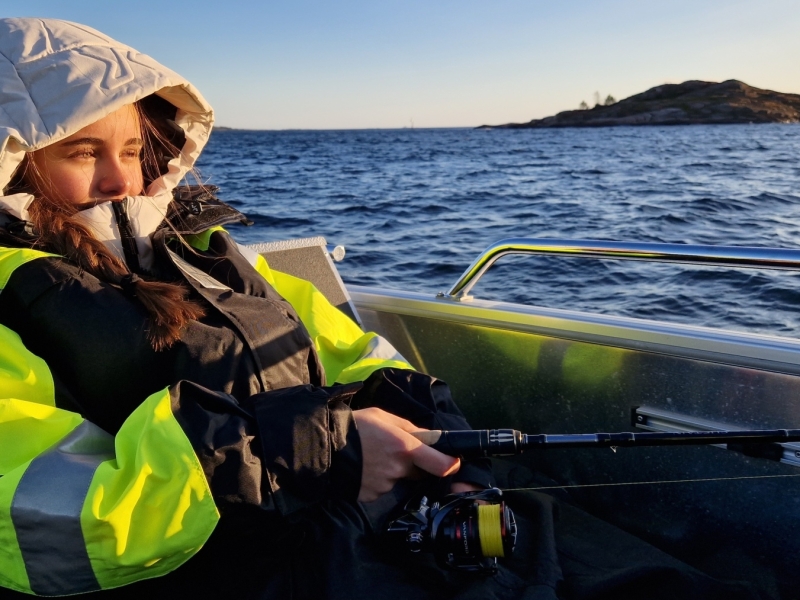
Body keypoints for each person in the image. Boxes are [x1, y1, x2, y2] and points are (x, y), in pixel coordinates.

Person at [0, 17, 771, 600]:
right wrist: (307, 456)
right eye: (80, 153)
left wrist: (438, 435)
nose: (122, 181)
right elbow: (50, 520)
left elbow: (351, 352)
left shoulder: (199, 250)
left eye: (134, 150)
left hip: (353, 521)